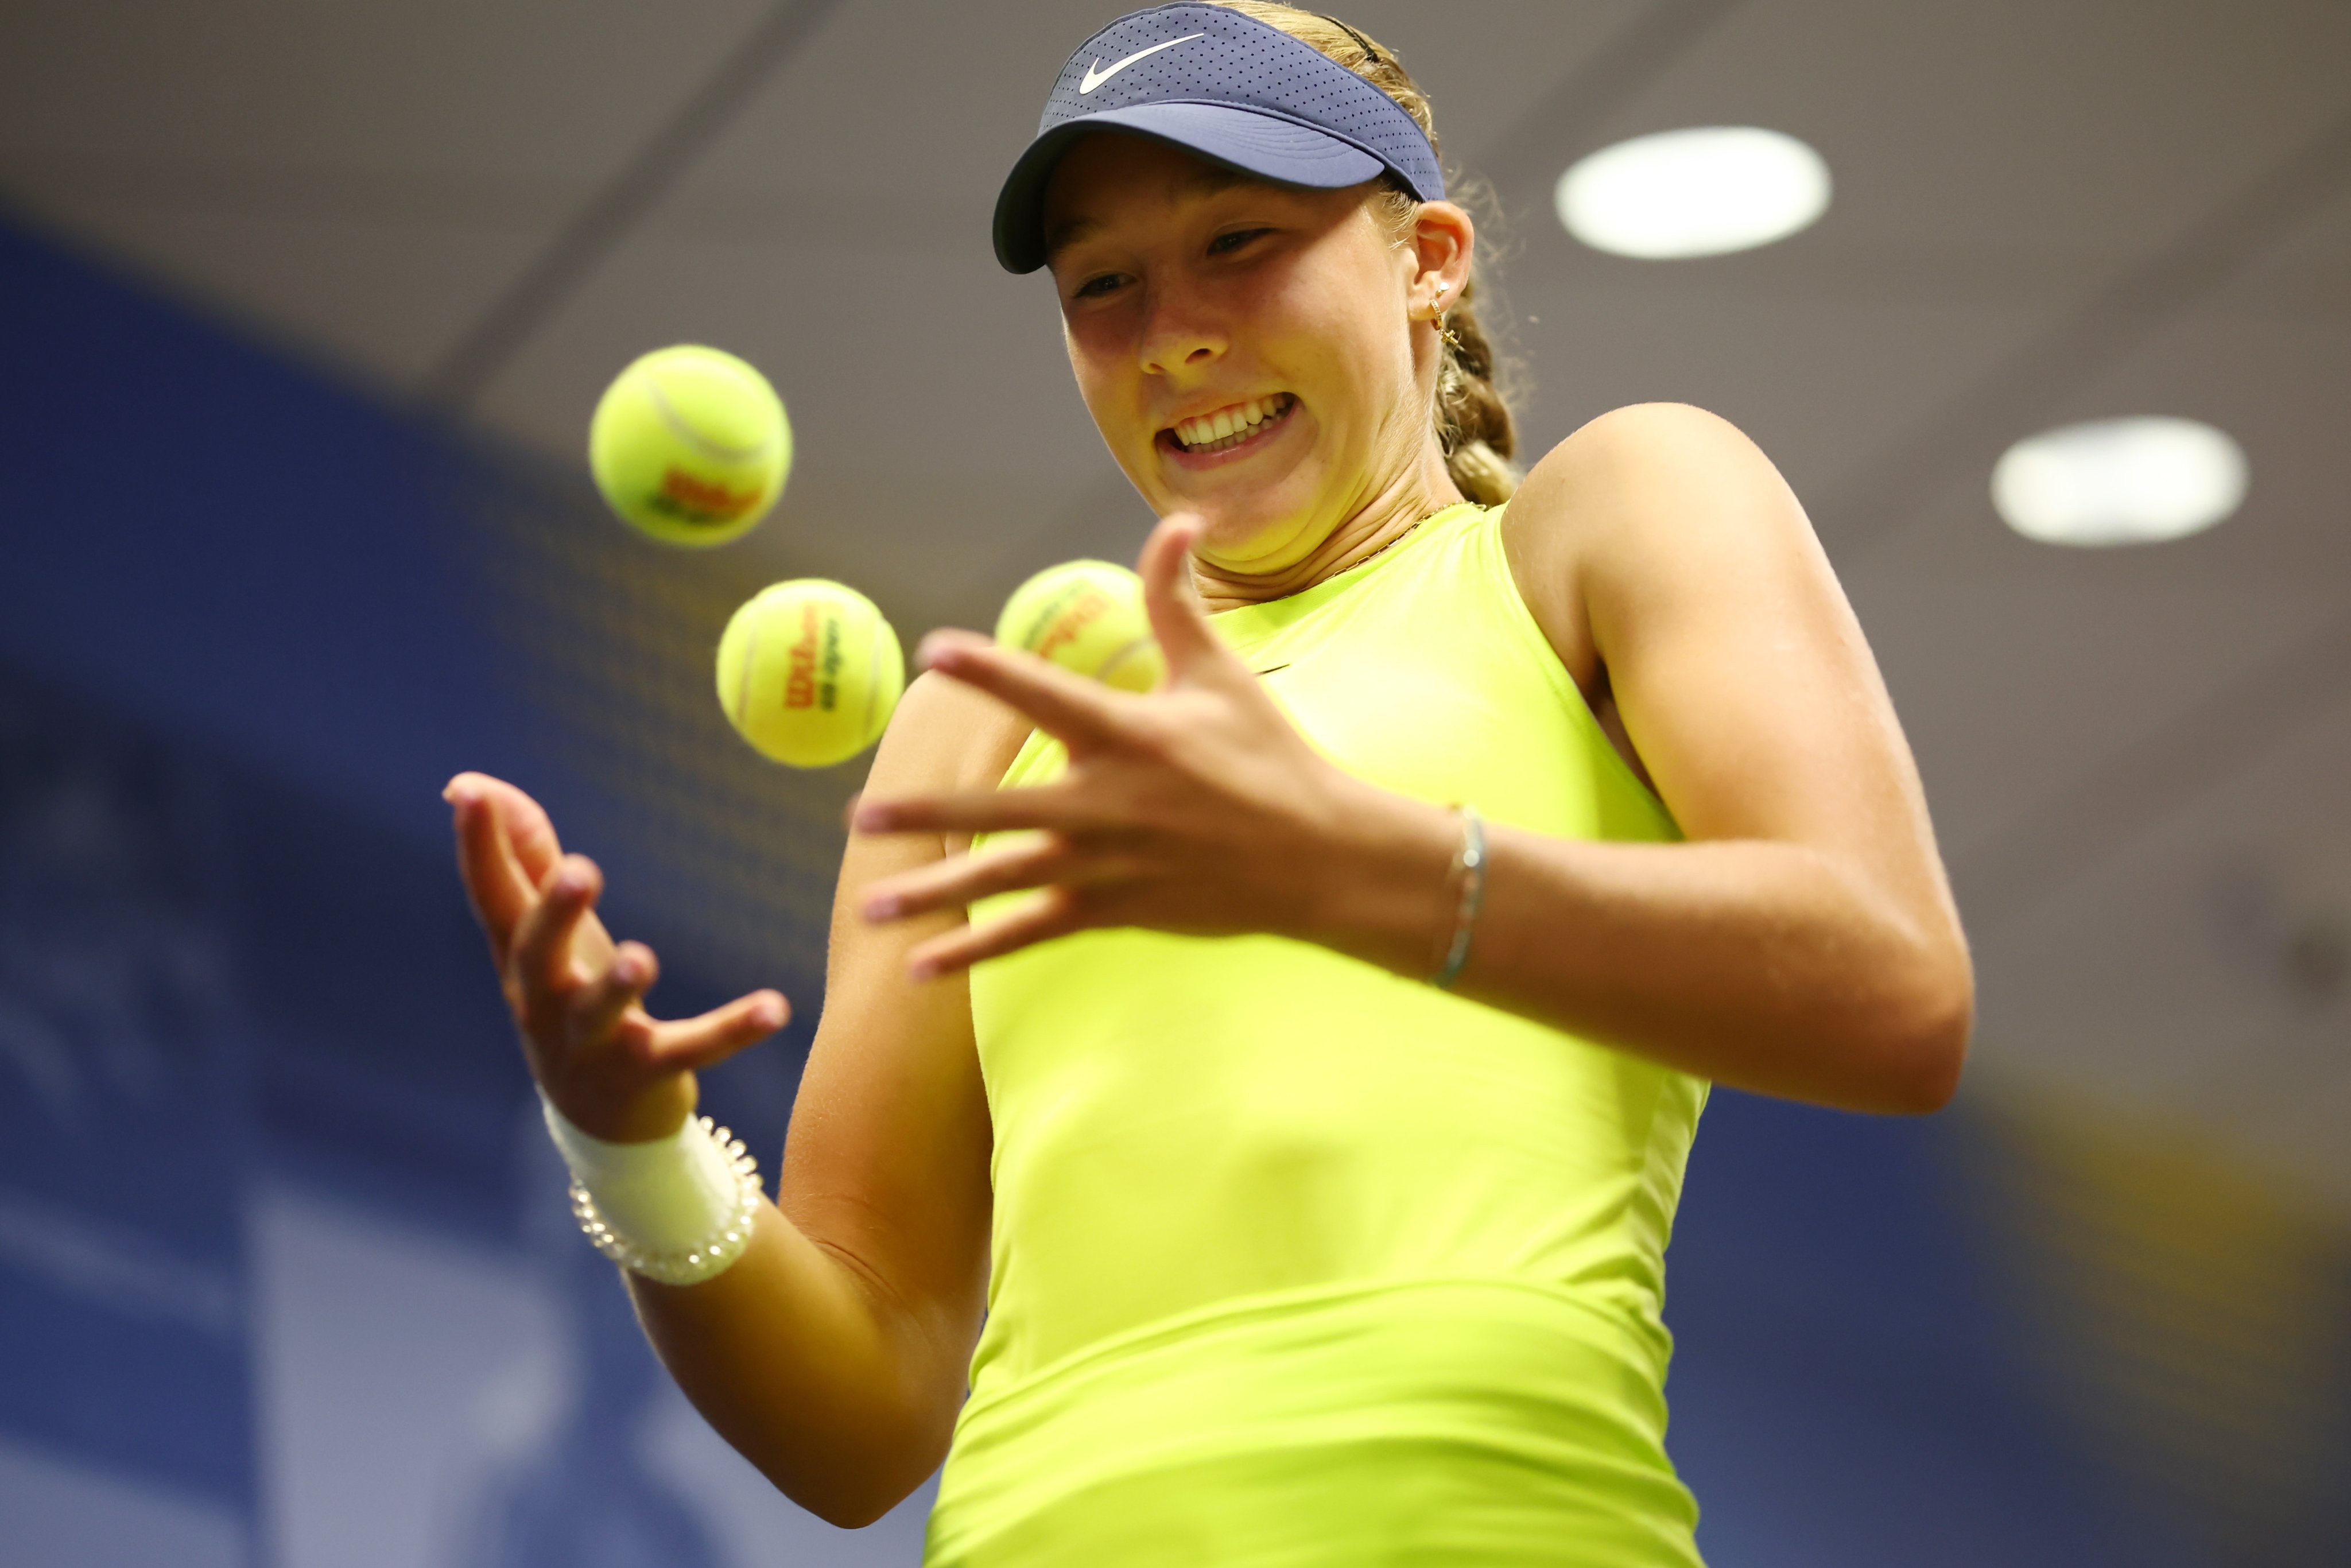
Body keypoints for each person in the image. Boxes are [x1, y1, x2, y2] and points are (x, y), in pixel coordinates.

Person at [443, 3, 1973, 1562]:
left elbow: (1896, 990)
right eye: (1102, 284)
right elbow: (860, 1422)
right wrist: (632, 1147)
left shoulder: (1603, 523)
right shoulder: (979, 726)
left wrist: (1348, 864)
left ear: (1430, 258)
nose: (1169, 334)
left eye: (1240, 241)